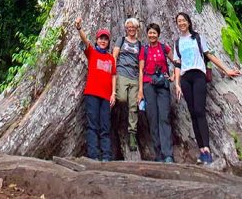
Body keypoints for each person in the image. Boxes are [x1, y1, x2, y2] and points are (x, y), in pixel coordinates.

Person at [171, 12, 241, 164]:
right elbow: (177, 64)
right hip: (185, 78)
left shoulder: (197, 38)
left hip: (198, 76)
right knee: (192, 113)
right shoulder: (177, 43)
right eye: (179, 21)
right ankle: (202, 151)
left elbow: (209, 55)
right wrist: (177, 83)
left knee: (199, 111)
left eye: (183, 20)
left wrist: (226, 70)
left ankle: (207, 149)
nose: (181, 23)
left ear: (188, 22)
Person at [74, 17, 115, 162]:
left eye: (106, 39)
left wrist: (113, 94)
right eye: (101, 39)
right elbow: (86, 42)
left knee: (105, 126)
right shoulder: (92, 52)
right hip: (92, 93)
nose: (103, 41)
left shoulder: (111, 59)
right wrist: (79, 28)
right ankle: (94, 156)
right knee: (92, 125)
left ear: (108, 42)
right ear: (97, 40)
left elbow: (113, 76)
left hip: (106, 96)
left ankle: (106, 156)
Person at [137, 22, 177, 163]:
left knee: (164, 118)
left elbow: (176, 61)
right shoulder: (144, 49)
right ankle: (158, 154)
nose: (152, 35)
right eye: (150, 33)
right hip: (148, 85)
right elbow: (141, 70)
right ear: (147, 34)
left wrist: (173, 76)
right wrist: (140, 90)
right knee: (153, 118)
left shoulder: (163, 47)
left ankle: (168, 154)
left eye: (154, 33)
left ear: (158, 34)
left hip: (163, 86)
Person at [112, 17, 143, 152]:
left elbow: (141, 63)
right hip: (122, 73)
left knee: (133, 106)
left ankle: (132, 135)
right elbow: (114, 56)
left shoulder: (139, 44)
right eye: (129, 27)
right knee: (122, 98)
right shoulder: (121, 40)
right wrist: (113, 74)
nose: (131, 29)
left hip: (134, 76)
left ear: (137, 29)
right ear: (126, 28)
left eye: (133, 27)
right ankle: (115, 121)